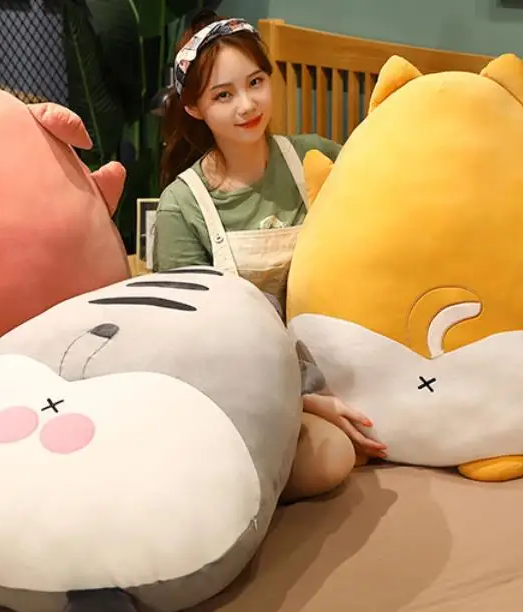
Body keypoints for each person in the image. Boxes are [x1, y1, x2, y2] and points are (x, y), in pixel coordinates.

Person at [151, 11, 385, 502]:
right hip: (241, 384)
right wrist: (305, 401)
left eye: (255, 82)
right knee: (331, 457)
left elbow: (395, 194)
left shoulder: (315, 158)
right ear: (194, 108)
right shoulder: (183, 204)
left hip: (343, 360)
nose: (247, 105)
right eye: (223, 95)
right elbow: (188, 338)